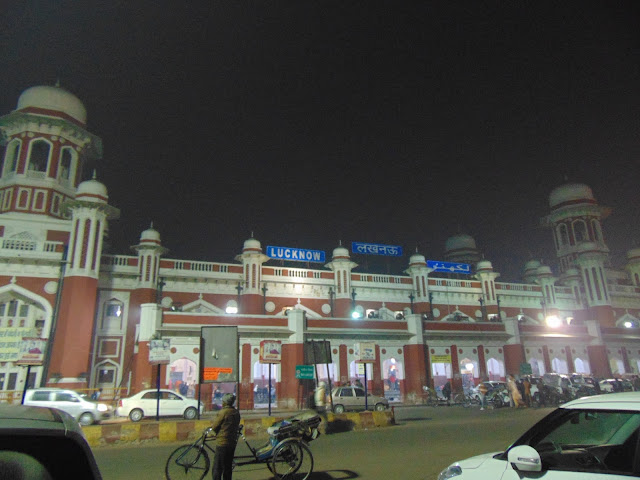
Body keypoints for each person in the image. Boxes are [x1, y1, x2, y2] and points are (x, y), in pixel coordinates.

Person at [211, 393, 241, 480]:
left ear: (225, 403)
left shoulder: (223, 412)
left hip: (222, 442)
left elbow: (215, 426)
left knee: (217, 467)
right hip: (232, 442)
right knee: (228, 466)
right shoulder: (236, 412)